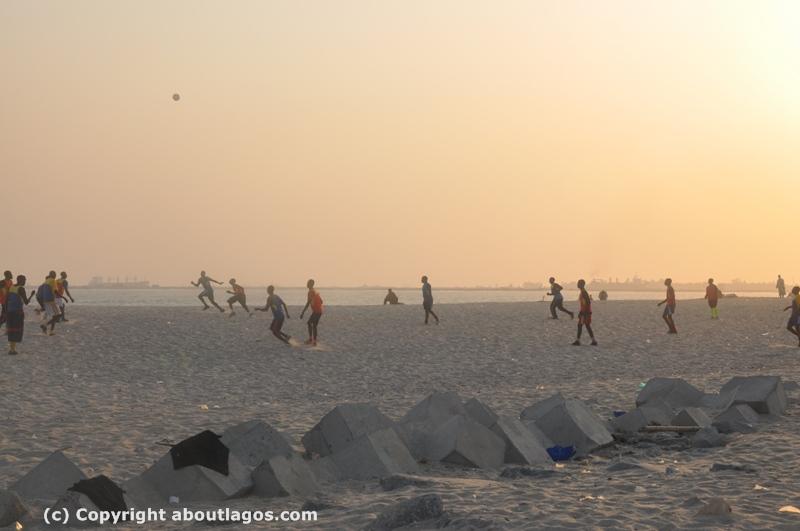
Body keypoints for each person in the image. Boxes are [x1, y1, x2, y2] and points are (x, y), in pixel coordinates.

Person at [6, 275, 35, 355]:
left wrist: (6, 311)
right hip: (17, 312)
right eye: (24, 280)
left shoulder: (11, 287)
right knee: (16, 330)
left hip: (10, 311)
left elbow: (7, 300)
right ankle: (12, 350)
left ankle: (12, 349)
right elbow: (26, 302)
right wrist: (32, 295)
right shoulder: (21, 288)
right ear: (21, 280)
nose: (25, 281)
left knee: (11, 330)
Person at [572, 279, 597, 346]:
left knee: (580, 325)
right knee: (585, 325)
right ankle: (593, 341)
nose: (577, 284)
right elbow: (585, 302)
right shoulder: (582, 292)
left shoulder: (583, 292)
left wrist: (584, 312)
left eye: (579, 283)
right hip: (585, 311)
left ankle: (578, 341)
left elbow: (588, 302)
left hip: (585, 312)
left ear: (582, 284)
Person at [299, 279, 323, 345]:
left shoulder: (310, 292)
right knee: (313, 325)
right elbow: (321, 301)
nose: (307, 284)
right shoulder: (315, 291)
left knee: (311, 324)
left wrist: (302, 312)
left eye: (308, 283)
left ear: (311, 284)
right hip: (319, 311)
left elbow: (308, 303)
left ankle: (311, 340)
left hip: (316, 311)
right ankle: (313, 341)